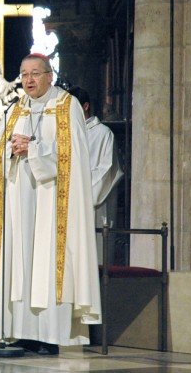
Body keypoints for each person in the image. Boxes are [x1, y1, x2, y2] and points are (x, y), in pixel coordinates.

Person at [0, 54, 101, 355]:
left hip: (53, 202)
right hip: (18, 201)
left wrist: (35, 150)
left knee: (47, 260)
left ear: (49, 76)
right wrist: (11, 151)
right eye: (24, 74)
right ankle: (19, 331)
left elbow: (75, 159)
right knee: (18, 263)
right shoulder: (15, 110)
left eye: (36, 74)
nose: (29, 80)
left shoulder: (67, 107)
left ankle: (50, 335)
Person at [69, 86, 124, 264]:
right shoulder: (66, 134)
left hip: (94, 205)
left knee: (94, 259)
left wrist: (81, 191)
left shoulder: (103, 134)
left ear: (85, 107)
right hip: (69, 204)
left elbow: (108, 170)